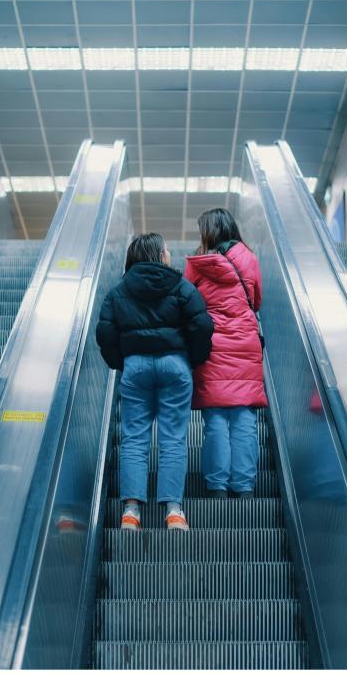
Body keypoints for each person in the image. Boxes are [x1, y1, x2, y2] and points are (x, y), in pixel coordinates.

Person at [96, 233, 213, 531]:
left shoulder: (118, 291)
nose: (170, 253)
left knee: (134, 438)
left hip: (135, 367)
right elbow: (202, 326)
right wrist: (191, 360)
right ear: (159, 255)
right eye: (167, 249)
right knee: (173, 438)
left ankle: (131, 513)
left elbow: (106, 334)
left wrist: (122, 363)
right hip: (175, 365)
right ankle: (174, 512)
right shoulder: (181, 287)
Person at [184, 208, 268, 498]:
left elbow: (188, 305)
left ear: (208, 231)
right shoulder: (250, 257)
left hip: (213, 344)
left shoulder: (197, 263)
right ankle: (244, 486)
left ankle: (217, 485)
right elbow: (255, 301)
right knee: (244, 417)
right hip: (245, 342)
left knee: (216, 419)